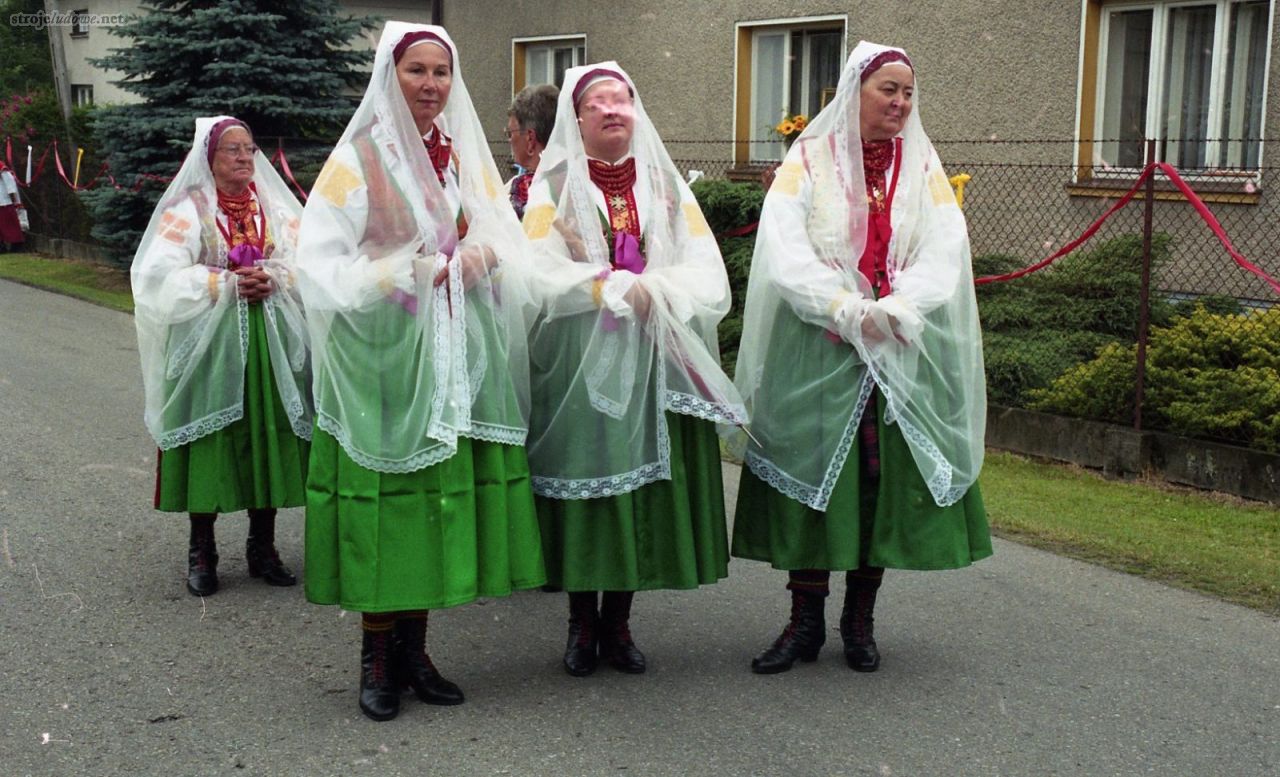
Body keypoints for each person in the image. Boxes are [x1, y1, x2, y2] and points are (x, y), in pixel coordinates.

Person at [296, 22, 544, 722]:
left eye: (441, 72)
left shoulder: (458, 155)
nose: (432, 85)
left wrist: (481, 257)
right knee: (391, 502)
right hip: (383, 360)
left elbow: (502, 230)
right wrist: (407, 271)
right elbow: (319, 267)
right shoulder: (357, 161)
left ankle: (416, 650)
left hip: (449, 354)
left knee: (433, 498)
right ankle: (376, 657)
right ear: (389, 76)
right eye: (417, 71)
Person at [730, 42, 992, 675]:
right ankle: (803, 624)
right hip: (819, 348)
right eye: (888, 90)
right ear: (856, 92)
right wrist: (843, 308)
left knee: (875, 488)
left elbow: (944, 246)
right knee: (814, 483)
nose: (900, 102)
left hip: (893, 351)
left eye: (907, 92)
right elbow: (784, 247)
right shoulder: (809, 159)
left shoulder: (922, 165)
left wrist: (901, 306)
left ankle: (859, 621)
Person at [522, 63, 745, 677]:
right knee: (588, 479)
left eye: (623, 100)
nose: (614, 110)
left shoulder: (665, 186)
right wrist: (606, 290)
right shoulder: (554, 187)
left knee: (643, 487)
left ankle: (618, 622)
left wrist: (662, 291)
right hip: (579, 360)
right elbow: (534, 270)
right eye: (599, 103)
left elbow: (706, 268)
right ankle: (579, 621)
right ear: (578, 117)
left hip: (655, 356)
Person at [131, 116, 312, 598]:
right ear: (208, 159)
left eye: (250, 149)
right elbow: (157, 277)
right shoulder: (188, 211)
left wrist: (274, 277)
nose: (244, 158)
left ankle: (263, 547)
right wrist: (222, 283)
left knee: (267, 435)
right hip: (210, 344)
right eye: (232, 150)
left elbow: (309, 260)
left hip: (267, 339)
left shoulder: (272, 207)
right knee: (211, 437)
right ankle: (202, 550)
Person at [505, 83, 558, 220]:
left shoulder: (511, 194)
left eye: (510, 134)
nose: (509, 141)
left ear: (530, 139)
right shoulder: (581, 184)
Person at [0, 160, 24, 252]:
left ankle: (16, 245)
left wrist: (13, 196)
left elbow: (9, 181)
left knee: (10, 225)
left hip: (3, 201)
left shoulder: (1, 166)